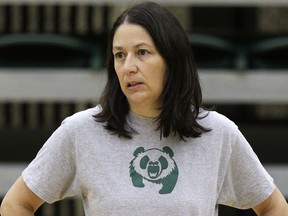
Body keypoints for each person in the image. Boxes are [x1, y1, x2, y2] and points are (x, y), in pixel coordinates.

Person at [1, 1, 287, 216]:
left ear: (172, 59)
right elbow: (16, 204)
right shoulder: (81, 131)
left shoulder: (218, 133)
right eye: (119, 55)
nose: (128, 67)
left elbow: (274, 207)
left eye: (142, 53)